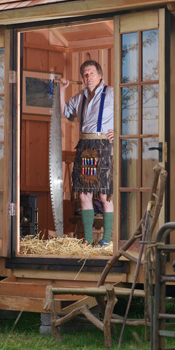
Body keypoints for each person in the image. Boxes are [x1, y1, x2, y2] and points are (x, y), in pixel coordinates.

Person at [60, 60, 114, 247]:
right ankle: (88, 241)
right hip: (84, 146)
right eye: (85, 74)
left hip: (104, 145)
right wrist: (61, 91)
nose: (88, 77)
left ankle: (106, 240)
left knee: (106, 194)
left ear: (100, 75)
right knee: (84, 195)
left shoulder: (112, 94)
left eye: (91, 73)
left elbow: (129, 114)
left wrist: (119, 131)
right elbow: (65, 113)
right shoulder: (79, 97)